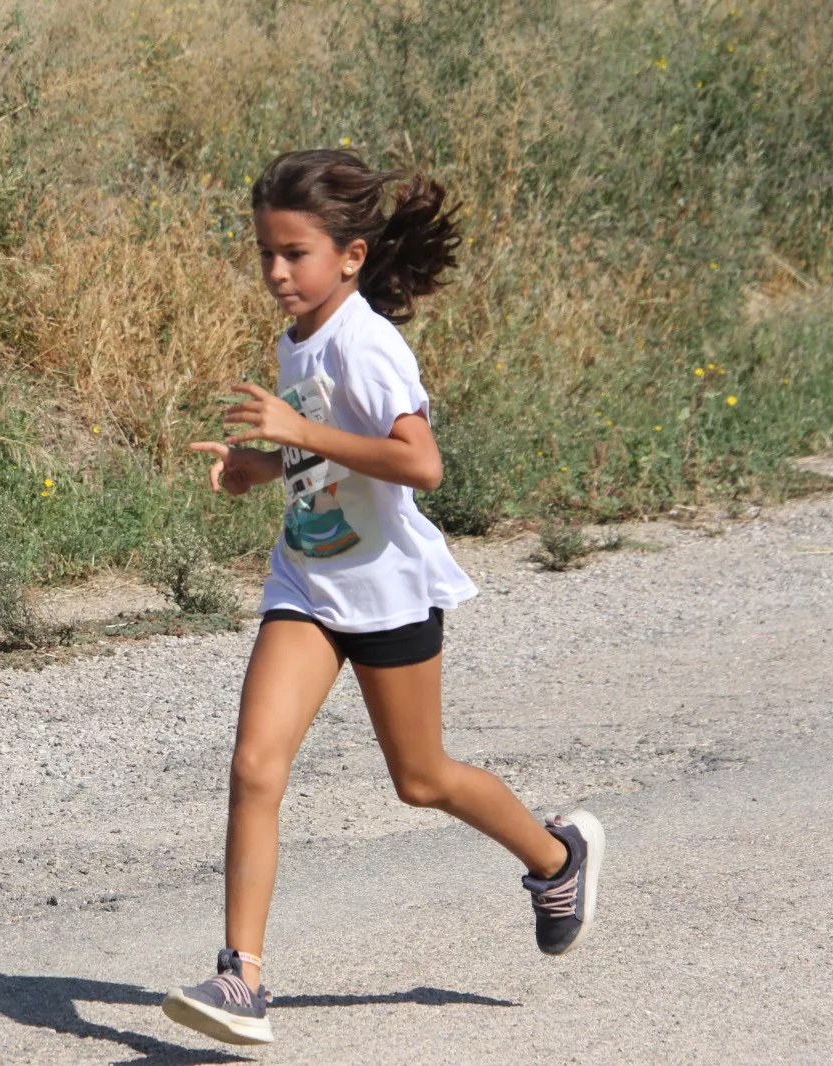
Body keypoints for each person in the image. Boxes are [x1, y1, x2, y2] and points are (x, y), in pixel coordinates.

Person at [160, 150, 605, 1047]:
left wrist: (297, 430)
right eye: (266, 255)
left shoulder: (369, 342)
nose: (277, 273)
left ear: (351, 257)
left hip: (388, 590)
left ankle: (558, 858)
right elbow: (329, 449)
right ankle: (241, 978)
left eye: (295, 254)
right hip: (307, 581)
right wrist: (265, 465)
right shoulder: (300, 339)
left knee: (422, 778)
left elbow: (419, 462)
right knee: (255, 766)